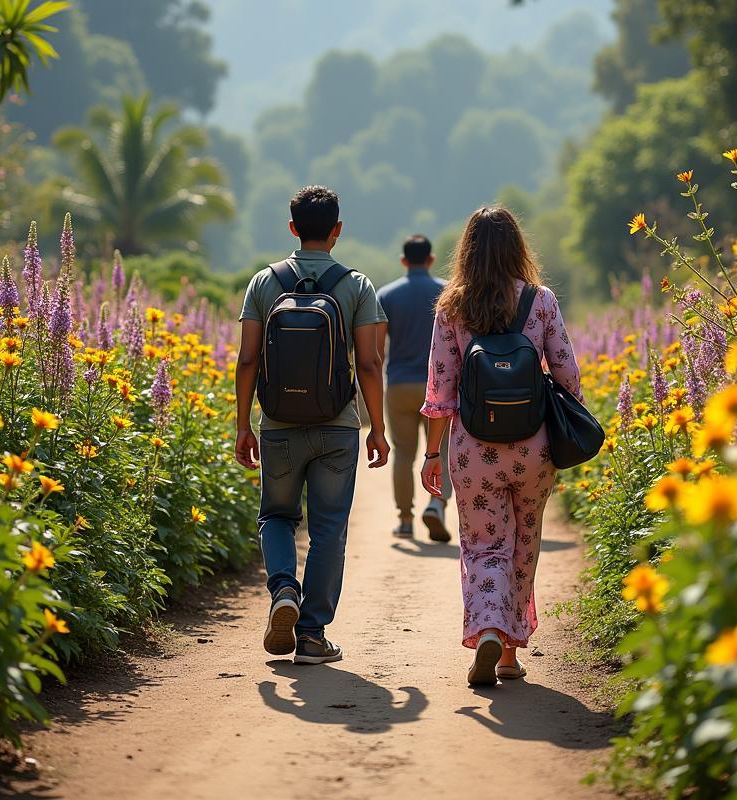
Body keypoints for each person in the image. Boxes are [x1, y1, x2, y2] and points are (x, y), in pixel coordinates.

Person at [418, 206, 582, 687]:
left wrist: (431, 456)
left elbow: (440, 390)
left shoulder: (452, 306)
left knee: (483, 544)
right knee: (524, 542)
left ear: (467, 250)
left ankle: (488, 626)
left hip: (473, 450)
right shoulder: (541, 300)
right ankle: (509, 655)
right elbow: (567, 373)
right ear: (518, 248)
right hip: (534, 447)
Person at [234, 185, 390, 666]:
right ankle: (312, 634)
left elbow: (247, 359)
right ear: (337, 230)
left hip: (277, 423)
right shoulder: (357, 286)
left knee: (277, 517)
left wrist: (244, 424)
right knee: (329, 529)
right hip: (336, 426)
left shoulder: (264, 283)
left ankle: (284, 589)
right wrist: (377, 428)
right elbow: (368, 363)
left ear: (292, 228)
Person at [376, 235, 452, 541]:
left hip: (400, 384)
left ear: (403, 261)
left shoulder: (387, 295)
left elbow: (378, 350)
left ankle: (405, 519)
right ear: (431, 259)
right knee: (442, 451)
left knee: (404, 453)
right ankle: (436, 503)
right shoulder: (447, 292)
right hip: (440, 386)